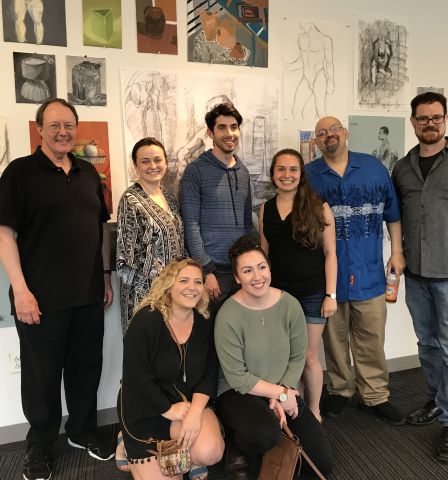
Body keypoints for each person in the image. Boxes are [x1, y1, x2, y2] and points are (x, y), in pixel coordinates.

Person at [0, 98, 114, 480]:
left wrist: (103, 278)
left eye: (69, 125)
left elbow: (98, 231)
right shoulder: (20, 173)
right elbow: (4, 234)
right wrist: (20, 290)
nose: (63, 132)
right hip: (40, 299)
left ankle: (82, 432)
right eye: (55, 126)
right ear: (40, 129)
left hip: (86, 296)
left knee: (85, 370)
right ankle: (40, 445)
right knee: (41, 377)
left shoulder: (86, 173)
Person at [392, 92, 448, 463]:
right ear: (413, 122)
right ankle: (435, 400)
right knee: (427, 343)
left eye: (436, 117)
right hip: (417, 272)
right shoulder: (402, 167)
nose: (430, 123)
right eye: (423, 118)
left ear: (445, 120)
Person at [305, 116, 406, 425]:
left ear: (345, 133)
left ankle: (376, 394)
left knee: (371, 337)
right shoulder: (309, 176)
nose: (329, 136)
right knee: (333, 339)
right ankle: (340, 390)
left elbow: (393, 212)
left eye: (334, 129)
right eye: (322, 133)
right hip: (328, 277)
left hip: (370, 272)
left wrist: (398, 252)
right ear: (317, 142)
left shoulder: (374, 167)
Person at [214, 235, 334, 480]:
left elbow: (298, 355)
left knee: (322, 464)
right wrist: (278, 394)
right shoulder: (228, 315)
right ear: (237, 278)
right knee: (263, 434)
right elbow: (238, 377)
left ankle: (269, 429)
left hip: (282, 387)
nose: (257, 277)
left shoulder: (289, 305)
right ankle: (237, 441)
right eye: (247, 271)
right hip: (239, 394)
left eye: (261, 267)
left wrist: (286, 391)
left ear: (269, 268)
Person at [119, 258, 224, 480]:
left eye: (197, 282)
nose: (192, 287)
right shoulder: (147, 320)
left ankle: (189, 454)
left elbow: (209, 373)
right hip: (148, 410)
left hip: (186, 406)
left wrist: (195, 413)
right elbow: (136, 378)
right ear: (169, 285)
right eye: (184, 280)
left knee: (210, 451)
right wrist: (167, 409)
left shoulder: (203, 322)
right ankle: (124, 442)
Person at [258, 148, 337, 422]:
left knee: (308, 356)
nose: (287, 175)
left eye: (293, 169)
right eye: (281, 169)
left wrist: (331, 294)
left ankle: (313, 411)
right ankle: (296, 404)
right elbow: (264, 256)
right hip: (279, 296)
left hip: (314, 294)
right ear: (273, 174)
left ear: (301, 174)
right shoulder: (265, 209)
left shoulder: (319, 207)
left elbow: (330, 254)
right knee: (287, 356)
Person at [180, 102, 252, 318]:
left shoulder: (244, 172)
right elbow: (190, 224)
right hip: (212, 273)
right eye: (222, 127)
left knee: (236, 336)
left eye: (233, 126)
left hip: (240, 270)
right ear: (210, 133)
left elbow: (247, 224)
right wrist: (206, 270)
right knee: (209, 339)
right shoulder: (195, 171)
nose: (229, 133)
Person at [116, 137, 185, 335]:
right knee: (146, 351)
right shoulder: (130, 200)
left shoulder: (169, 196)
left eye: (157, 159)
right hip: (143, 294)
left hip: (173, 291)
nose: (153, 166)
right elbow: (130, 254)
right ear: (136, 165)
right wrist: (161, 282)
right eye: (145, 161)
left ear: (166, 162)